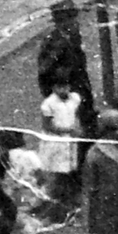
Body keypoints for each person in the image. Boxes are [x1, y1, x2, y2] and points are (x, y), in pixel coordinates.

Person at [35, 0, 94, 135]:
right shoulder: (54, 42)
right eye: (71, 19)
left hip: (80, 88)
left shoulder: (73, 36)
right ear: (62, 22)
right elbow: (44, 71)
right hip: (66, 92)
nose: (76, 23)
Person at [39, 74, 83, 212]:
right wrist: (68, 130)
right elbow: (47, 126)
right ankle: (57, 205)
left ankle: (72, 203)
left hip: (70, 141)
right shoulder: (48, 104)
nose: (63, 90)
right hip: (57, 142)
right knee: (59, 174)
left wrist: (77, 127)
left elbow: (76, 115)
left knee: (72, 171)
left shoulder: (74, 99)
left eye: (66, 86)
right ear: (53, 87)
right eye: (59, 87)